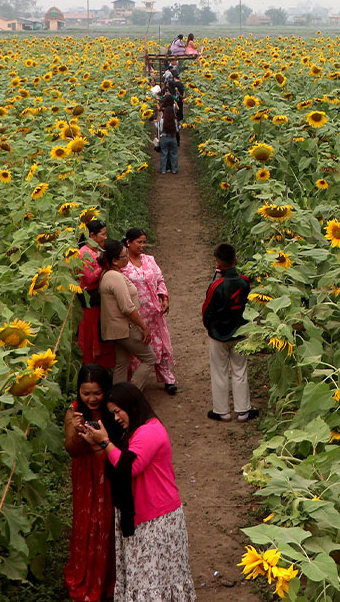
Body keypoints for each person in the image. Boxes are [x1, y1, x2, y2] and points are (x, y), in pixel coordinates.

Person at [77, 383, 196, 602]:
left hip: (157, 519)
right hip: (142, 515)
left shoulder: (150, 431)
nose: (115, 418)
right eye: (112, 413)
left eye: (117, 412)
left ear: (131, 406)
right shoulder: (134, 431)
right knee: (146, 577)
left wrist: (104, 442)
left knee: (152, 579)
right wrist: (97, 445)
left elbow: (128, 467)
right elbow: (115, 464)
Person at [63, 364, 116, 602]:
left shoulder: (114, 410)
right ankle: (88, 576)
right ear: (78, 392)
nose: (92, 399)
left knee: (108, 521)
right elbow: (72, 451)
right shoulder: (74, 413)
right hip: (86, 474)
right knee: (87, 522)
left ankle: (110, 578)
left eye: (97, 393)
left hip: (109, 470)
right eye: (86, 393)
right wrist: (75, 432)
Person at [120, 228, 178, 395]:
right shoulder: (123, 264)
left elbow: (159, 280)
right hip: (135, 315)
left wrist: (164, 298)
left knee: (162, 346)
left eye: (144, 242)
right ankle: (137, 384)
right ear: (128, 243)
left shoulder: (149, 260)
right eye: (139, 242)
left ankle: (168, 379)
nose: (143, 246)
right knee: (140, 348)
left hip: (154, 313)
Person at [202, 244, 256, 422]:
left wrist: (210, 327)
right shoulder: (244, 282)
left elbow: (207, 310)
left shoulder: (216, 285)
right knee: (240, 370)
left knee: (219, 371)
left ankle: (221, 411)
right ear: (236, 260)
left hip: (218, 334)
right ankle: (243, 411)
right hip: (240, 332)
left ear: (218, 263)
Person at [98, 240, 157, 390]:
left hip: (116, 329)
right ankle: (131, 393)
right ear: (115, 260)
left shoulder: (109, 274)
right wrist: (143, 327)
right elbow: (126, 307)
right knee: (150, 358)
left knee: (121, 364)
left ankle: (117, 397)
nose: (127, 258)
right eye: (124, 255)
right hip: (124, 328)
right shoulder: (115, 277)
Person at [77, 220, 116, 369]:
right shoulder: (83, 253)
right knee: (90, 335)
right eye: (103, 234)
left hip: (100, 298)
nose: (105, 238)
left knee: (101, 334)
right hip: (89, 300)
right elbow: (89, 277)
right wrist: (105, 266)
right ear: (92, 235)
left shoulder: (99, 250)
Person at [155, 94, 180, 175]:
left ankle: (163, 170)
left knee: (164, 154)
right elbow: (177, 130)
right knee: (174, 154)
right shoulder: (174, 121)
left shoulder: (162, 121)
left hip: (164, 138)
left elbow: (159, 129)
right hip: (172, 138)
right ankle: (174, 169)